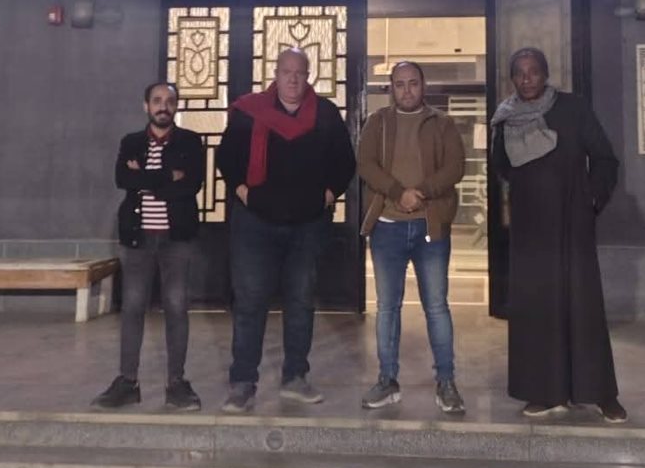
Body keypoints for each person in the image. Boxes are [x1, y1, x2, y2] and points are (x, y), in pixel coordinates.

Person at [216, 47, 356, 412]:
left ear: (308, 76)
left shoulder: (325, 113)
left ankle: (295, 377)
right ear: (275, 74)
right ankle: (243, 382)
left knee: (300, 300)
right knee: (250, 302)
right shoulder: (250, 111)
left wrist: (328, 194)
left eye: (299, 72)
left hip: (307, 225)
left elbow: (345, 161)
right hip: (255, 223)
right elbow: (226, 157)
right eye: (286, 71)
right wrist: (243, 191)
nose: (293, 79)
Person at [491, 48, 627, 422]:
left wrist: (590, 200)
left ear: (545, 74)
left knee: (583, 307)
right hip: (530, 231)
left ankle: (600, 393)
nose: (526, 79)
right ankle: (544, 391)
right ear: (512, 79)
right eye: (519, 73)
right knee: (537, 310)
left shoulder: (572, 108)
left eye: (533, 71)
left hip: (572, 225)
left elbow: (605, 158)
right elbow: (502, 167)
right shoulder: (505, 118)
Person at [357, 60, 467, 415]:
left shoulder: (442, 123)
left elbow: (455, 167)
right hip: (387, 227)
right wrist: (397, 192)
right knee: (387, 308)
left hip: (429, 227)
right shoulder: (377, 123)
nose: (407, 90)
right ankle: (387, 380)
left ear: (424, 85)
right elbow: (365, 164)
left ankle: (446, 382)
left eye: (413, 83)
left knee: (436, 306)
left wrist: (421, 192)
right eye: (400, 84)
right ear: (391, 87)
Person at [92, 81, 205, 412]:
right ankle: (128, 382)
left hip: (176, 238)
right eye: (157, 100)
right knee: (132, 307)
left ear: (176, 106)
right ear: (146, 106)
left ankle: (177, 384)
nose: (163, 106)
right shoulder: (131, 142)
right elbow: (122, 179)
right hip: (137, 239)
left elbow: (192, 184)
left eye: (169, 101)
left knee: (176, 307)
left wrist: (145, 178)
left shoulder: (190, 142)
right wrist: (169, 177)